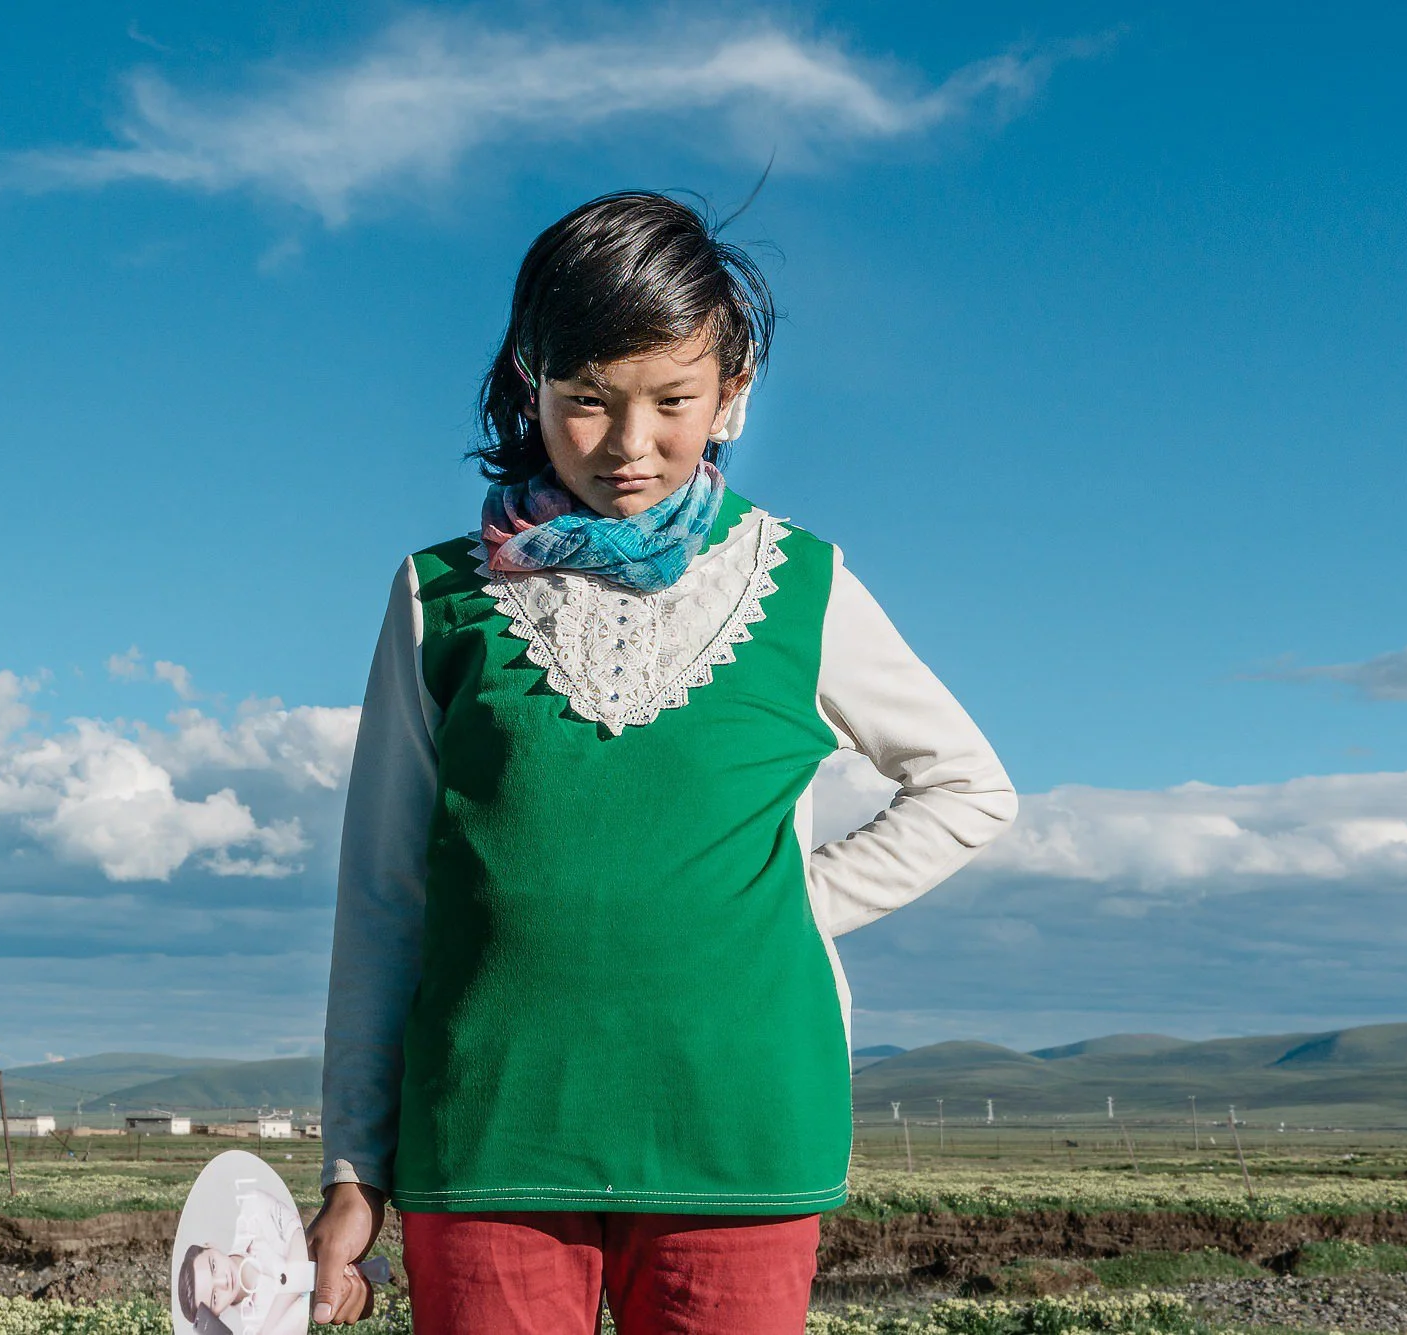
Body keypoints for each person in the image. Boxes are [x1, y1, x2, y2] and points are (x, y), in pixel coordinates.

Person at [303, 190, 1018, 1335]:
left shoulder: (801, 585)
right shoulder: (438, 597)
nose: (629, 447)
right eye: (585, 403)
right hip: (486, 1127)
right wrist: (353, 1167)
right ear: (528, 382)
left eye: (671, 402)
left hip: (738, 1124)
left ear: (731, 397)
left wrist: (789, 904)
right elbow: (384, 892)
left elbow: (966, 787)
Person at [177, 1182, 311, 1334]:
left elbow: (300, 1239)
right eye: (215, 1297)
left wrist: (268, 1327)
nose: (224, 1281)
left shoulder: (252, 1211)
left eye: (213, 1266)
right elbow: (304, 1318)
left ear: (210, 1246)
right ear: (215, 1315)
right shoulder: (252, 1328)